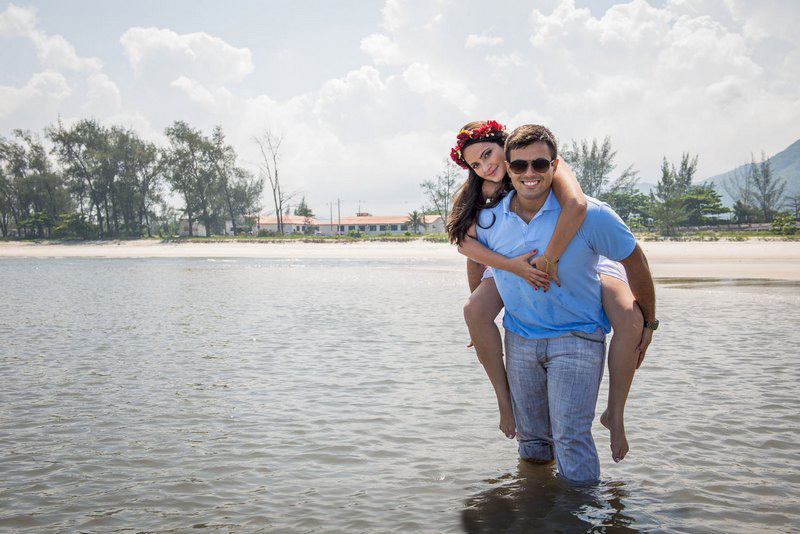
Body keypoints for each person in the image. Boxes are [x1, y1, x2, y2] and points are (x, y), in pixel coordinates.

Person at [447, 120, 646, 463]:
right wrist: (488, 308)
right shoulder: (482, 195)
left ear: (505, 144)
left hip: (576, 253)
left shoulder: (541, 165)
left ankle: (616, 413)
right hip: (512, 264)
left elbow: (577, 207)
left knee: (629, 318)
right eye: (475, 165)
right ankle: (505, 403)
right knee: (474, 310)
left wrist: (550, 258)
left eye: (488, 155)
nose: (486, 167)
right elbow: (471, 251)